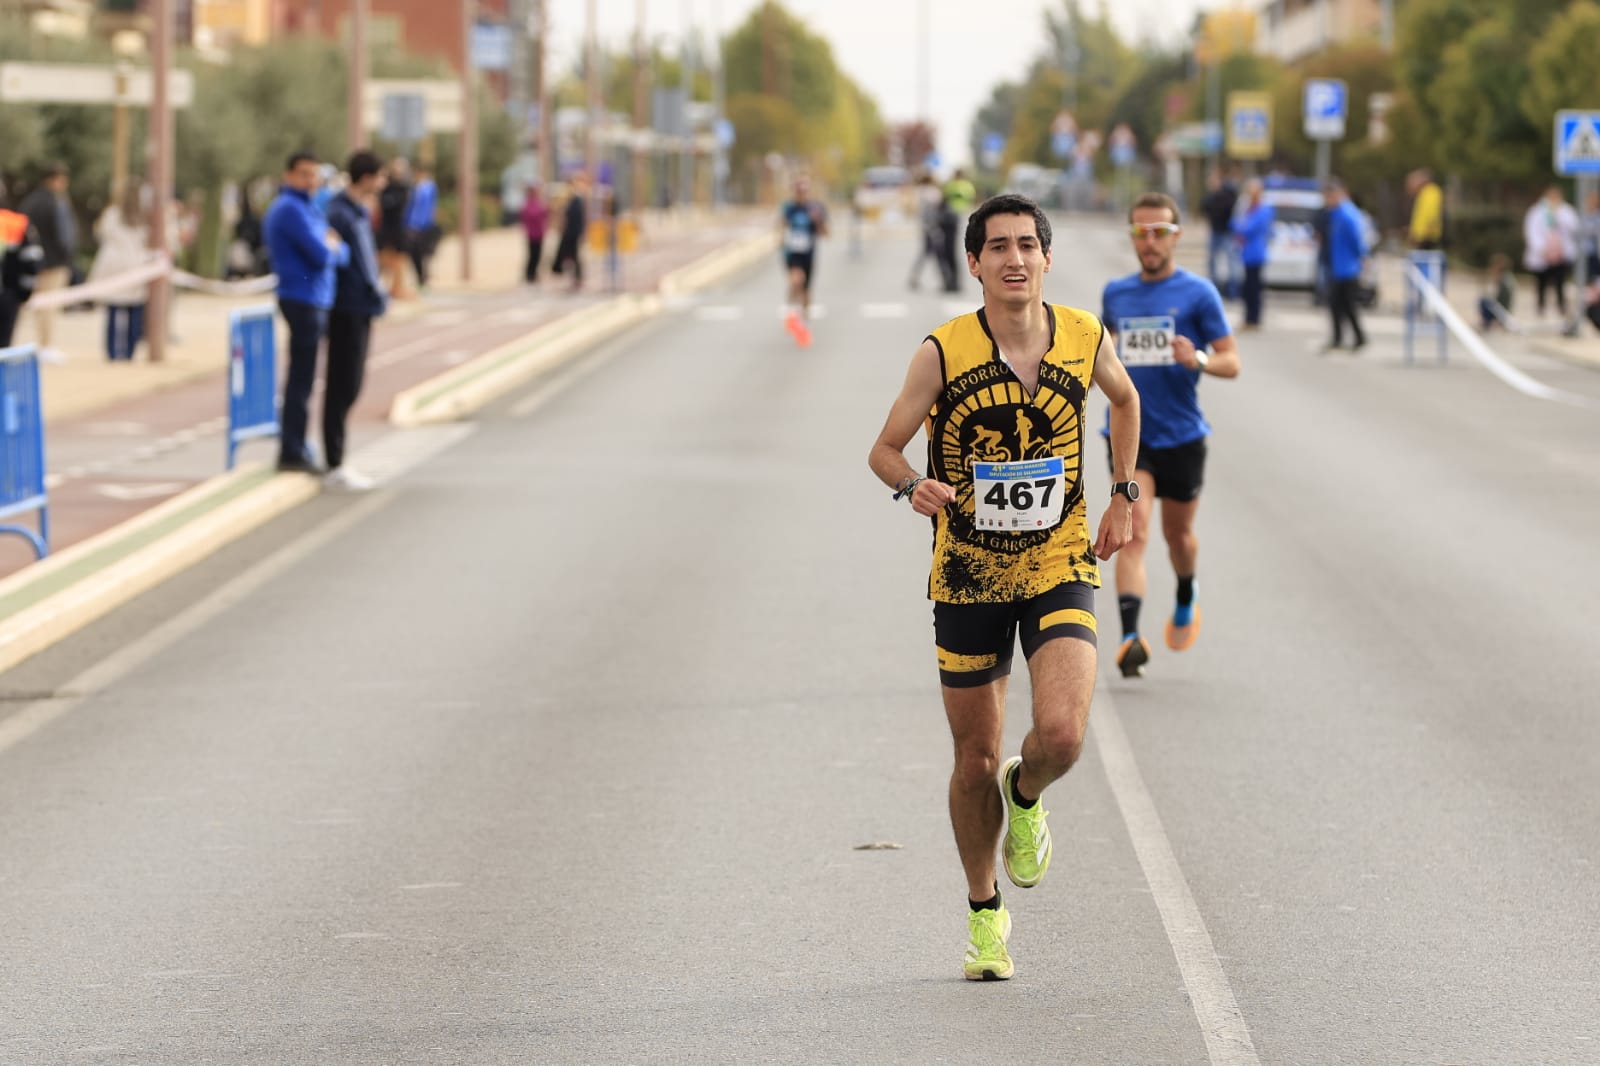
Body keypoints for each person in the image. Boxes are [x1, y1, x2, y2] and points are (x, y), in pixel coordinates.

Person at [867, 193, 1140, 981]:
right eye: (999, 247)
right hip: (969, 572)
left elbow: (1125, 401)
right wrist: (911, 484)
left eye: (1027, 245)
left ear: (1047, 259)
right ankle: (984, 912)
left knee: (1059, 736)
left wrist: (1123, 492)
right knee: (974, 757)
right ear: (975, 263)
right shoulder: (943, 353)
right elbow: (884, 448)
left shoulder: (1086, 337)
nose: (1014, 258)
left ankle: (1030, 794)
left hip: (1058, 561)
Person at [1099, 192, 1239, 679]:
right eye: (1141, 233)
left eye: (1159, 232)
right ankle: (1130, 638)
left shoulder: (1199, 294)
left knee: (1177, 536)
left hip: (1182, 435)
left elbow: (1231, 361)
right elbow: (1106, 354)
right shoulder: (1116, 294)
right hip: (1130, 434)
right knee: (1132, 530)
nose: (1150, 242)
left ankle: (1185, 589)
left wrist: (1197, 359)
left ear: (1176, 236)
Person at [263, 151, 348, 474]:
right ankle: (292, 449)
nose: (309, 180)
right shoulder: (289, 210)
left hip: (315, 298)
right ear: (287, 175)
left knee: (306, 377)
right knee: (301, 379)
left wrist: (333, 248)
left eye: (314, 174)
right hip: (302, 298)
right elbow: (322, 254)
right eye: (303, 174)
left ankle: (297, 445)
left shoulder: (309, 207)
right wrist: (332, 247)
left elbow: (341, 252)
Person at [322, 150, 388, 492]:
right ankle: (334, 462)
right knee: (342, 384)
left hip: (362, 306)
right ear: (366, 177)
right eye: (380, 175)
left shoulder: (357, 211)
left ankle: (338, 458)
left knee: (353, 382)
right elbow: (340, 259)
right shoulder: (339, 213)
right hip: (345, 307)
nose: (384, 183)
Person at [86, 184, 155, 362]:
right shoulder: (145, 217)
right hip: (136, 263)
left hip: (113, 264)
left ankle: (112, 352)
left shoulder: (112, 214)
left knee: (113, 310)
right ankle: (129, 352)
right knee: (134, 310)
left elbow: (101, 233)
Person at [18, 163, 77, 356]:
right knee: (50, 305)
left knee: (38, 304)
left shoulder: (30, 201)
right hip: (55, 261)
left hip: (33, 260)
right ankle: (46, 345)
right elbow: (64, 235)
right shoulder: (57, 202)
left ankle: (41, 343)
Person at [779, 175, 828, 347]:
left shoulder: (816, 208)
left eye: (804, 190)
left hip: (808, 254)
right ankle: (791, 312)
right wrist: (780, 240)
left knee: (806, 291)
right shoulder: (789, 208)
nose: (801, 194)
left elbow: (825, 233)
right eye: (798, 190)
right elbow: (781, 225)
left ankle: (803, 320)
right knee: (795, 280)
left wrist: (817, 221)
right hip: (793, 253)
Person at [1321, 179, 1369, 353]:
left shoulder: (1347, 214)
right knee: (1337, 304)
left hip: (1348, 267)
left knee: (1346, 304)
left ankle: (1356, 337)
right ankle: (1341, 337)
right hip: (1337, 266)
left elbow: (1357, 238)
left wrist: (1363, 256)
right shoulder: (1335, 213)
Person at [1522, 185, 1579, 319]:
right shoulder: (1536, 211)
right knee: (1541, 282)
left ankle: (1561, 306)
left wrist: (1558, 214)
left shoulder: (1565, 211)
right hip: (1542, 254)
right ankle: (1541, 306)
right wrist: (1541, 249)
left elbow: (1574, 228)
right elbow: (1531, 231)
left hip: (1561, 254)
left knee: (1560, 281)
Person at [1230, 179, 1273, 329]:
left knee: (1254, 288)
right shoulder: (1247, 209)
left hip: (1256, 253)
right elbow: (1234, 224)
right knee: (1248, 288)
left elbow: (1249, 228)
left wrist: (1240, 227)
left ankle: (1254, 318)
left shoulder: (1263, 209)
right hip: (1246, 253)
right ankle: (1248, 318)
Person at [0, 203, 43, 349]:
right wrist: (25, 293)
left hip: (8, 292)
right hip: (8, 295)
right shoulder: (17, 223)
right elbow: (31, 258)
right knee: (3, 345)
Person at [376, 158, 413, 299]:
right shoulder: (387, 187)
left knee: (399, 260)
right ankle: (387, 287)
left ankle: (398, 288)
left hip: (398, 228)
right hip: (386, 228)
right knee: (383, 258)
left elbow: (395, 205)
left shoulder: (404, 188)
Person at [1200, 169, 1238, 298]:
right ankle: (1213, 289)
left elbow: (1225, 210)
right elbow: (1204, 207)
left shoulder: (1227, 194)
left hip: (1227, 232)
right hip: (1215, 231)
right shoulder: (1211, 196)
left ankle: (1232, 291)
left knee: (1231, 263)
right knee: (1212, 262)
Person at [550, 172, 589, 294]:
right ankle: (572, 279)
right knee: (569, 257)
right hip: (569, 233)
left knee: (575, 257)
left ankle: (577, 279)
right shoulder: (569, 199)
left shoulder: (577, 199)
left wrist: (583, 233)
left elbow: (581, 218)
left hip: (574, 233)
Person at [405, 164, 439, 291]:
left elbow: (432, 206)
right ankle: (420, 277)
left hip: (425, 224)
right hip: (412, 225)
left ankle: (425, 278)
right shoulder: (413, 188)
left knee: (426, 253)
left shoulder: (429, 187)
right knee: (415, 253)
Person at [907, 173, 943, 291]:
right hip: (933, 227)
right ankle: (943, 279)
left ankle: (914, 277)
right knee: (936, 253)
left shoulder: (919, 192)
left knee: (925, 253)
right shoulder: (933, 193)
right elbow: (937, 209)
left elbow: (915, 210)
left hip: (924, 226)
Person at [1407, 168, 1444, 251]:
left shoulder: (1431, 192)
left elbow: (1431, 216)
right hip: (1423, 237)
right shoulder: (1424, 193)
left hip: (1426, 238)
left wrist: (1420, 235)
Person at [1477, 252, 1515, 332]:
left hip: (1502, 311)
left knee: (1483, 301)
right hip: (1505, 310)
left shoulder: (1503, 280)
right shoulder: (1508, 277)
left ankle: (1487, 322)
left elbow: (1496, 298)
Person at [520, 183, 549, 286]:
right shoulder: (528, 203)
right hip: (532, 234)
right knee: (532, 255)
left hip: (540, 233)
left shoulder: (539, 202)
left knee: (538, 255)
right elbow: (531, 215)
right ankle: (530, 274)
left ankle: (534, 273)